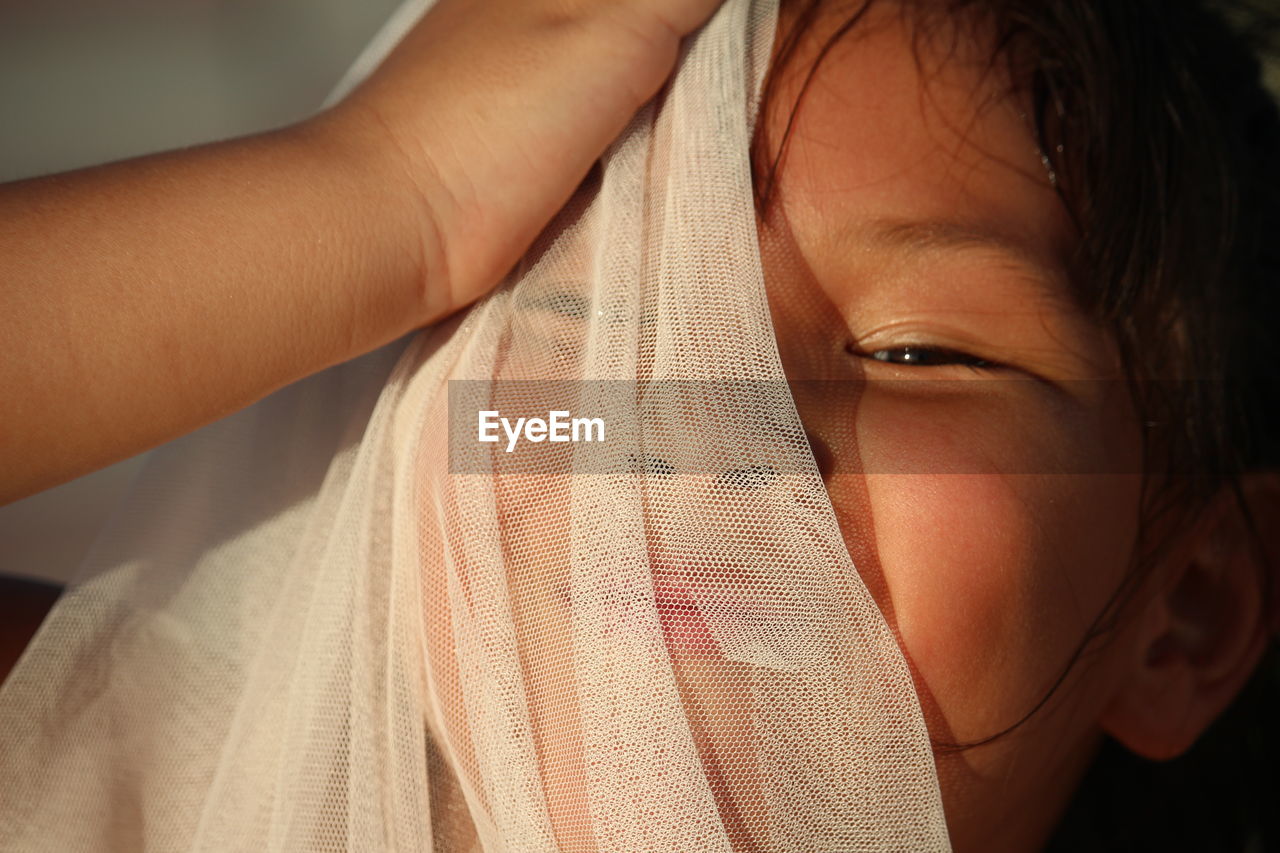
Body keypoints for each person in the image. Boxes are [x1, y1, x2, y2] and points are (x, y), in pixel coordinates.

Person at [1, 0, 1277, 850]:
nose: (703, 428)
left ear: (1186, 614)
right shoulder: (103, 779)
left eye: (914, 354)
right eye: (584, 324)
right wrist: (394, 187)